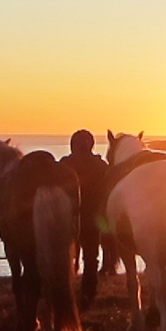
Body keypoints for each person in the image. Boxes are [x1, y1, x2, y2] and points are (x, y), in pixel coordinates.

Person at [61, 129, 111, 302]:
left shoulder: (64, 165)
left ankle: (66, 290)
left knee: (65, 256)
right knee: (91, 257)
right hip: (92, 218)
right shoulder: (101, 165)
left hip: (69, 218)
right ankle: (89, 290)